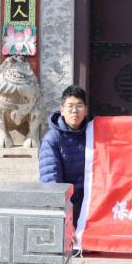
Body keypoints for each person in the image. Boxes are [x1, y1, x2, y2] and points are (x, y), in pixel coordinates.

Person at [38, 85, 91, 226]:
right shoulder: (52, 139)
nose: (75, 111)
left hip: (91, 205)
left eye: (79, 106)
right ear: (62, 110)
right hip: (67, 207)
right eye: (70, 106)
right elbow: (51, 181)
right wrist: (66, 218)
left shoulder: (93, 134)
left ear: (86, 110)